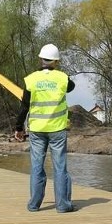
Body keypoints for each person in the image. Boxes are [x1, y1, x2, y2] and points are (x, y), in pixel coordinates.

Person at [14, 44, 75, 213]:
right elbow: (71, 87)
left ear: (41, 59)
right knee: (60, 167)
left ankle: (34, 204)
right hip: (57, 129)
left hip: (37, 130)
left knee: (36, 166)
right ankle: (63, 205)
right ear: (56, 61)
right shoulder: (63, 78)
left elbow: (24, 106)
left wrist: (19, 127)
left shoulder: (31, 79)